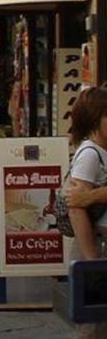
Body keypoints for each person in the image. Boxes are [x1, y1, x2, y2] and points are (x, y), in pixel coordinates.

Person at [62, 88, 107, 261]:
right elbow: (76, 206)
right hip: (98, 242)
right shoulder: (90, 154)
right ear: (94, 120)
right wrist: (91, 259)